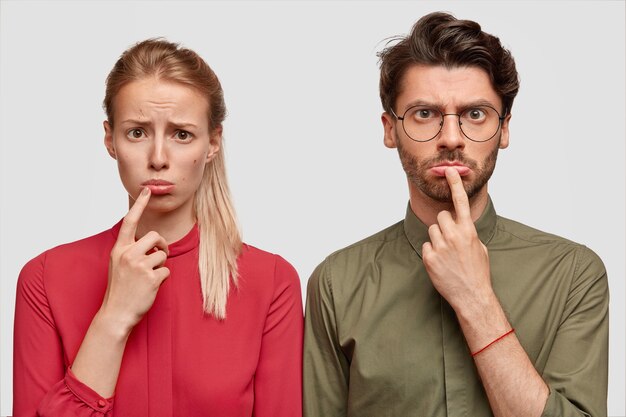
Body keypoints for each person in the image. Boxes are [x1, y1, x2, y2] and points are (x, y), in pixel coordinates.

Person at [303, 12, 608, 417]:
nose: (451, 138)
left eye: (475, 114)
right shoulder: (336, 285)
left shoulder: (573, 275)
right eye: (424, 114)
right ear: (390, 129)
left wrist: (475, 298)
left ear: (504, 129)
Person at [13, 39, 303, 417]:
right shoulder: (45, 279)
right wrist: (114, 315)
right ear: (109, 139)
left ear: (212, 142)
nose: (158, 159)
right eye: (137, 132)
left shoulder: (272, 282)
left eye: (181, 134)